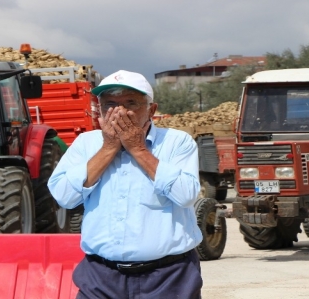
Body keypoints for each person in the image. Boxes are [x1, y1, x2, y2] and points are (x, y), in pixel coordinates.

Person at [48, 70, 203, 299]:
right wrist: (109, 148)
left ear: (151, 110)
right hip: (100, 277)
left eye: (130, 103)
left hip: (167, 277)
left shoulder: (177, 142)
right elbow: (64, 196)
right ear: (99, 110)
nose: (119, 112)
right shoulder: (86, 144)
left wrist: (138, 149)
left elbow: (186, 195)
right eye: (110, 104)